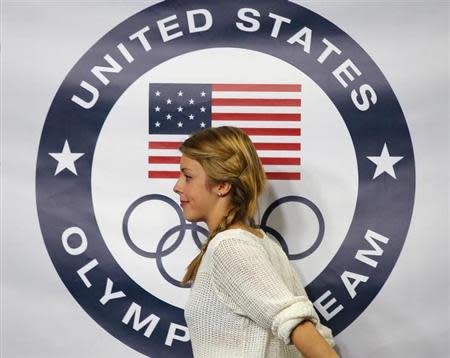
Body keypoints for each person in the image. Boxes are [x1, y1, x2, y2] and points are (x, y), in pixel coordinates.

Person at [173, 126, 338, 358]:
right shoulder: (263, 243)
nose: (177, 186)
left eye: (188, 176)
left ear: (222, 185)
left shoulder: (229, 247)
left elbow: (300, 326)